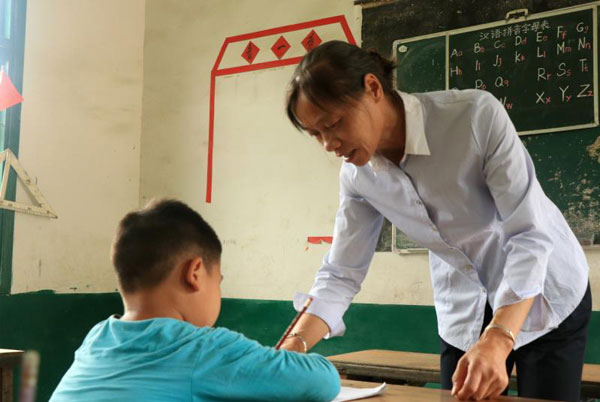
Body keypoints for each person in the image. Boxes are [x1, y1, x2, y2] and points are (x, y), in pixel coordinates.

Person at [279, 40, 590, 402]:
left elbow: (529, 234)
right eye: (315, 134)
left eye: (333, 124)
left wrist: (498, 337)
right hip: (463, 307)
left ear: (373, 88)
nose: (328, 144)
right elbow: (341, 274)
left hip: (545, 293)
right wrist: (291, 349)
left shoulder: (473, 117)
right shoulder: (358, 176)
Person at [49, 199, 340, 402]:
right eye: (219, 282)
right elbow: (323, 381)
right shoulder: (201, 347)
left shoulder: (97, 338)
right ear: (196, 272)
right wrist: (298, 346)